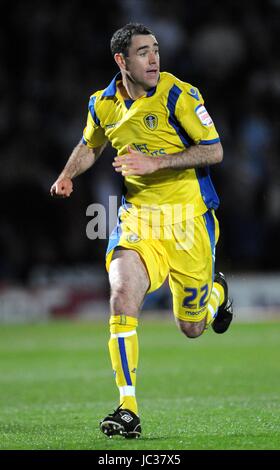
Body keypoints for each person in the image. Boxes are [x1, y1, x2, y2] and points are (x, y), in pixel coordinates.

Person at [50, 22, 233, 439]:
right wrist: (66, 174)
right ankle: (127, 407)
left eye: (156, 50)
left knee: (192, 327)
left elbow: (215, 149)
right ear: (122, 61)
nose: (154, 59)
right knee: (121, 296)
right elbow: (90, 143)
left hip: (189, 222)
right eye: (143, 52)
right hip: (138, 219)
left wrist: (156, 163)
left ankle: (216, 295)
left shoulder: (178, 95)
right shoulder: (103, 103)